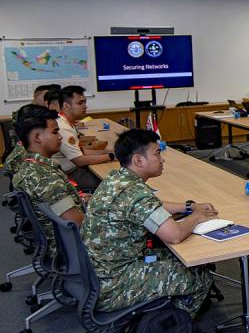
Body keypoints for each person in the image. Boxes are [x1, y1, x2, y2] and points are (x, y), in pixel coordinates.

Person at [81, 129, 216, 317]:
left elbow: (152, 207)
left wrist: (189, 207)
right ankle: (170, 330)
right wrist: (197, 216)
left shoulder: (117, 179)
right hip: (114, 285)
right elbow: (174, 235)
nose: (163, 160)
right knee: (200, 276)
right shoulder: (134, 193)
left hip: (97, 272)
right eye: (157, 154)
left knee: (189, 261)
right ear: (138, 160)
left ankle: (163, 310)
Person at [13, 106, 85, 256]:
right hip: (72, 248)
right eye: (55, 132)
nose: (60, 137)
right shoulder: (45, 177)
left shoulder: (30, 165)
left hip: (59, 242)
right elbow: (77, 221)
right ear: (37, 137)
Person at [52, 86, 113, 190]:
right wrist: (110, 157)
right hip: (70, 175)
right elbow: (79, 160)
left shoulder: (66, 122)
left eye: (85, 102)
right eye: (80, 103)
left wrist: (109, 151)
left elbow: (81, 151)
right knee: (113, 182)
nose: (85, 106)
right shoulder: (63, 128)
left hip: (74, 170)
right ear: (66, 106)